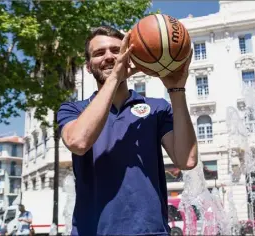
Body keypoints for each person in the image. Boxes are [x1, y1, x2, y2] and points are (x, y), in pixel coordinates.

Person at [57, 25, 198, 236]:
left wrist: (176, 89)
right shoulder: (73, 109)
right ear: (88, 66)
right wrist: (115, 76)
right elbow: (78, 142)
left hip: (151, 231)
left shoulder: (157, 108)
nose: (109, 57)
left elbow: (186, 161)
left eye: (116, 50)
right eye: (99, 53)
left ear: (129, 56)